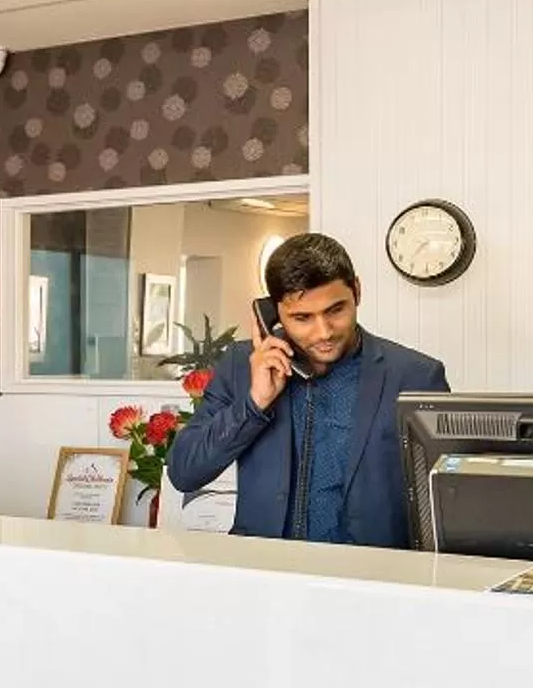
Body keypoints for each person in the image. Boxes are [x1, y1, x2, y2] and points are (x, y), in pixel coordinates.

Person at [165, 233, 449, 545]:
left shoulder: (416, 376)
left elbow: (447, 500)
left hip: (370, 578)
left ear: (357, 290)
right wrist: (254, 403)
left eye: (335, 310)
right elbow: (184, 471)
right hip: (268, 574)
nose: (324, 332)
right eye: (302, 318)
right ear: (272, 313)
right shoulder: (240, 365)